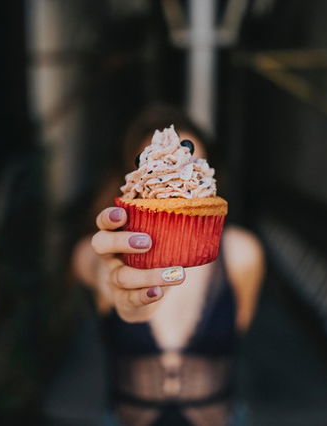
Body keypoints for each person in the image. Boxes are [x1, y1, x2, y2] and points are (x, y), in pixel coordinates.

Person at [72, 106, 265, 426]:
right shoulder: (105, 251)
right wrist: (113, 279)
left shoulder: (243, 253)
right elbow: (93, 266)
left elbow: (238, 328)